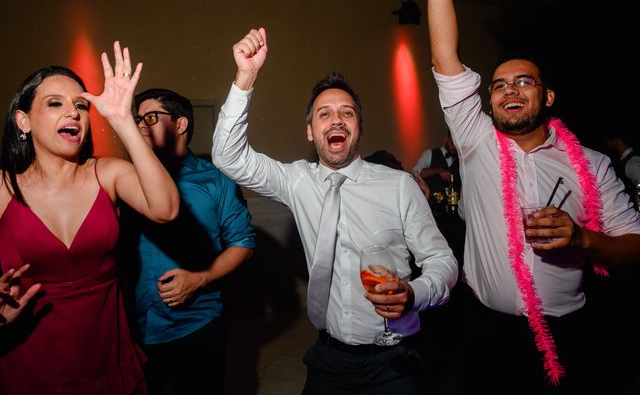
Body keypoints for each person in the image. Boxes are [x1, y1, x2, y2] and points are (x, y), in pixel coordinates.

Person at [406, 0, 640, 393]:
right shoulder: (476, 138)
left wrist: (583, 239)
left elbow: (634, 246)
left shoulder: (592, 164)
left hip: (570, 332)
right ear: (488, 100)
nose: (509, 91)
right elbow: (444, 56)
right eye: (499, 85)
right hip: (487, 329)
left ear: (547, 96)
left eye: (524, 82)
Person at [211, 27, 458, 394]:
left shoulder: (398, 185)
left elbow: (443, 261)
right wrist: (245, 77)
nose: (337, 120)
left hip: (397, 358)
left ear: (359, 128)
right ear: (311, 131)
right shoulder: (297, 180)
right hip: (329, 359)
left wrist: (414, 293)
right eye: (324, 114)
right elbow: (228, 157)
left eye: (347, 113)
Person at [0, 43, 180, 394]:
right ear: (23, 120)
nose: (74, 114)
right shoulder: (4, 187)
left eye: (81, 105)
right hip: (28, 361)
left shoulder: (107, 173)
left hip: (107, 355)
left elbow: (166, 209)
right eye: (55, 104)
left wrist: (123, 120)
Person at [121, 88, 255, 395]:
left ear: (181, 125)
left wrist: (200, 279)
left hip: (196, 325)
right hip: (134, 327)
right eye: (137, 118)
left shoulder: (215, 180)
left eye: (151, 117)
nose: (140, 125)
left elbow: (243, 244)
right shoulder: (124, 178)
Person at [411, 129, 460, 194]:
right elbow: (415, 173)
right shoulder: (429, 154)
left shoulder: (461, 159)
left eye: (457, 144)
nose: (454, 147)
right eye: (452, 142)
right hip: (432, 202)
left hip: (455, 202)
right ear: (446, 138)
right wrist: (438, 170)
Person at [603, 131, 640, 206]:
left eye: (608, 143)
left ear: (617, 142)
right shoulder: (631, 158)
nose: (608, 147)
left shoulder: (631, 162)